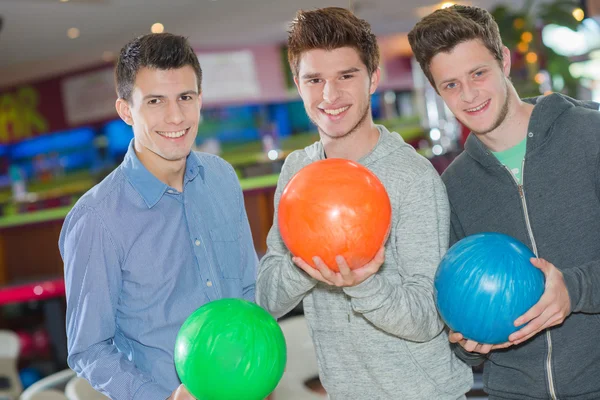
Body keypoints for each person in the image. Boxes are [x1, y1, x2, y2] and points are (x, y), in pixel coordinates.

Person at [256, 7, 472, 399]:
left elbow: (429, 316)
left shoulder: (412, 176)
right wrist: (310, 262)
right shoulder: (296, 171)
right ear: (297, 84)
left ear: (373, 78)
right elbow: (269, 297)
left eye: (346, 76)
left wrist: (364, 282)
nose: (329, 95)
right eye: (314, 79)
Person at [408, 5, 600, 399]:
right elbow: (463, 329)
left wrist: (574, 290)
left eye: (478, 73)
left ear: (505, 62)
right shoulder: (453, 187)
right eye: (451, 85)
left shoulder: (589, 136)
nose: (470, 95)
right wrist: (466, 340)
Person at [59, 33, 257, 400]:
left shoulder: (223, 178)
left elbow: (248, 290)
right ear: (125, 110)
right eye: (155, 101)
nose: (176, 116)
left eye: (185, 97)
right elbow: (89, 349)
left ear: (200, 99)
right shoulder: (96, 219)